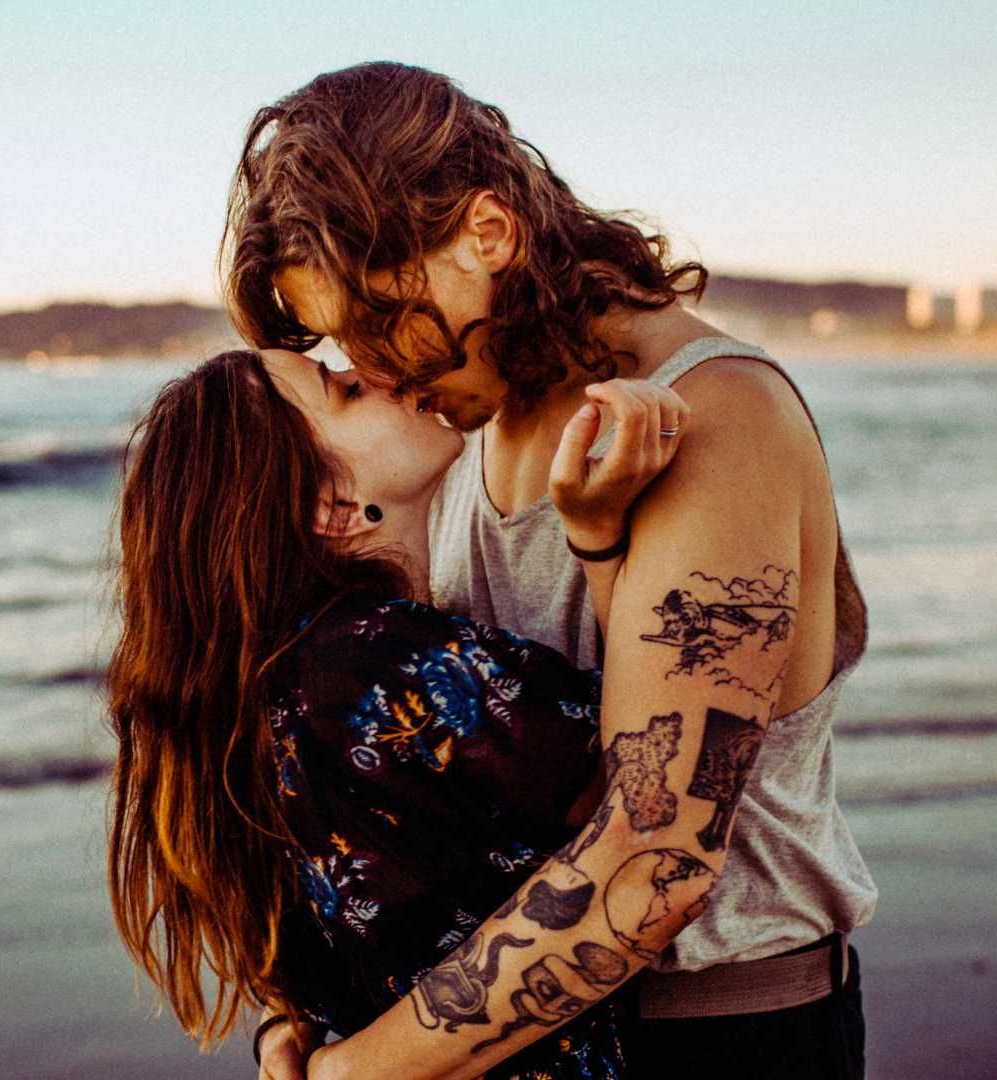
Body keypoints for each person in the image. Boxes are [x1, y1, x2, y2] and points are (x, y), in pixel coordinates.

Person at [221, 62, 877, 1079]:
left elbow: (654, 864)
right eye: (345, 346)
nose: (381, 372)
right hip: (513, 1044)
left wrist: (363, 1071)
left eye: (385, 318)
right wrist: (297, 1007)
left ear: (489, 232)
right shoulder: (456, 427)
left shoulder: (713, 419)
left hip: (714, 1038)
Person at [106, 348, 694, 1079]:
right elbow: (650, 777)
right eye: (345, 389)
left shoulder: (271, 685)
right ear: (333, 508)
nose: (379, 371)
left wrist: (286, 1032)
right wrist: (601, 537)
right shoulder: (379, 659)